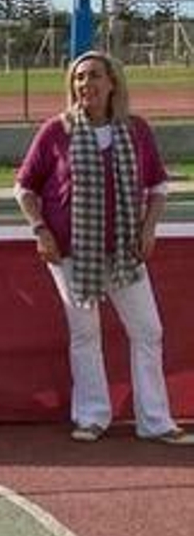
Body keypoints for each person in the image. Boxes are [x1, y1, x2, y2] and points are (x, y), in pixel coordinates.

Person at [15, 51, 190, 446]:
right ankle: (92, 416)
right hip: (72, 253)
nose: (85, 84)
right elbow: (24, 187)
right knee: (85, 335)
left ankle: (156, 421)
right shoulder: (55, 131)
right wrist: (40, 229)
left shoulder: (137, 131)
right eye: (79, 78)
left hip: (126, 252)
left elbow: (158, 186)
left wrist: (149, 227)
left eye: (94, 76)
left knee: (148, 331)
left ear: (113, 83)